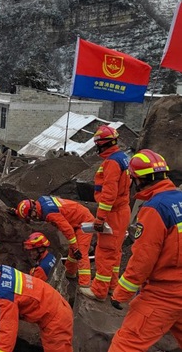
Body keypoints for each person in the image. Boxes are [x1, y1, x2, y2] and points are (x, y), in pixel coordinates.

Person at [108, 150, 182, 352]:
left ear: (139, 180)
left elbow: (143, 259)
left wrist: (121, 293)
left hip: (164, 294)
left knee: (126, 344)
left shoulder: (155, 208)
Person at [0, 259, 73, 352]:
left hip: (55, 319)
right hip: (54, 305)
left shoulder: (4, 297)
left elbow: (8, 331)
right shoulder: (2, 270)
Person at [80, 125, 131, 301]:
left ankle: (99, 291)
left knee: (104, 252)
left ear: (102, 144)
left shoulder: (111, 163)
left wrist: (100, 218)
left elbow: (109, 194)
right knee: (115, 253)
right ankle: (111, 287)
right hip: (122, 211)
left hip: (113, 213)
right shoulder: (122, 158)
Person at [14, 196, 93, 287]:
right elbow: (28, 210)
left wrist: (75, 248)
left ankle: (85, 284)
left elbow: (68, 230)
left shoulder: (50, 214)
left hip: (84, 221)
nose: (32, 219)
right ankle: (70, 272)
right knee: (73, 250)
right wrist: (17, 212)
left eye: (31, 216)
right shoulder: (40, 201)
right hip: (77, 215)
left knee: (80, 252)